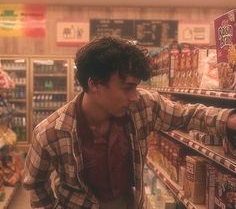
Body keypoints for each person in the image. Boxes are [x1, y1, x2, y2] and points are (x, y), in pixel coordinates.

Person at [23, 36, 236, 209]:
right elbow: (35, 183)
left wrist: (228, 119)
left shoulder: (142, 106)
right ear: (95, 83)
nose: (135, 95)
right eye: (127, 87)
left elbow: (187, 114)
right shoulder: (50, 132)